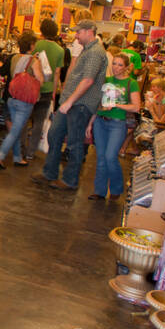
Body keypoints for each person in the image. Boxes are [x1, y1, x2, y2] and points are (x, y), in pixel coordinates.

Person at [34, 20, 107, 192]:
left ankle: (70, 180)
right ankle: (50, 172)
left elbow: (88, 80)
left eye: (79, 32)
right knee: (54, 135)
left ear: (89, 31)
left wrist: (69, 101)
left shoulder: (96, 52)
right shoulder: (87, 50)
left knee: (74, 143)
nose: (76, 35)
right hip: (71, 102)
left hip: (80, 104)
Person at [88, 53, 141, 201]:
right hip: (100, 120)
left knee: (110, 156)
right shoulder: (106, 80)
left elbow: (136, 107)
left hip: (118, 123)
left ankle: (117, 188)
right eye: (114, 64)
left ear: (126, 67)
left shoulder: (131, 83)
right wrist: (91, 122)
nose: (116, 67)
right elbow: (99, 103)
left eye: (120, 65)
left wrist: (116, 105)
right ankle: (99, 191)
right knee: (101, 157)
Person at [0, 32, 45, 169]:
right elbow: (40, 79)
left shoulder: (14, 57)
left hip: (12, 97)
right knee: (16, 130)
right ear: (32, 45)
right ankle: (0, 155)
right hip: (25, 100)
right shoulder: (34, 61)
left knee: (16, 127)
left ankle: (17, 157)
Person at [22, 16, 65, 163]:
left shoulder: (37, 45)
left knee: (25, 118)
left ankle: (20, 148)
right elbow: (57, 73)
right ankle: (30, 152)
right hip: (46, 89)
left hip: (31, 87)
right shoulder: (60, 50)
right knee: (39, 122)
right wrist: (54, 91)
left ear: (41, 31)